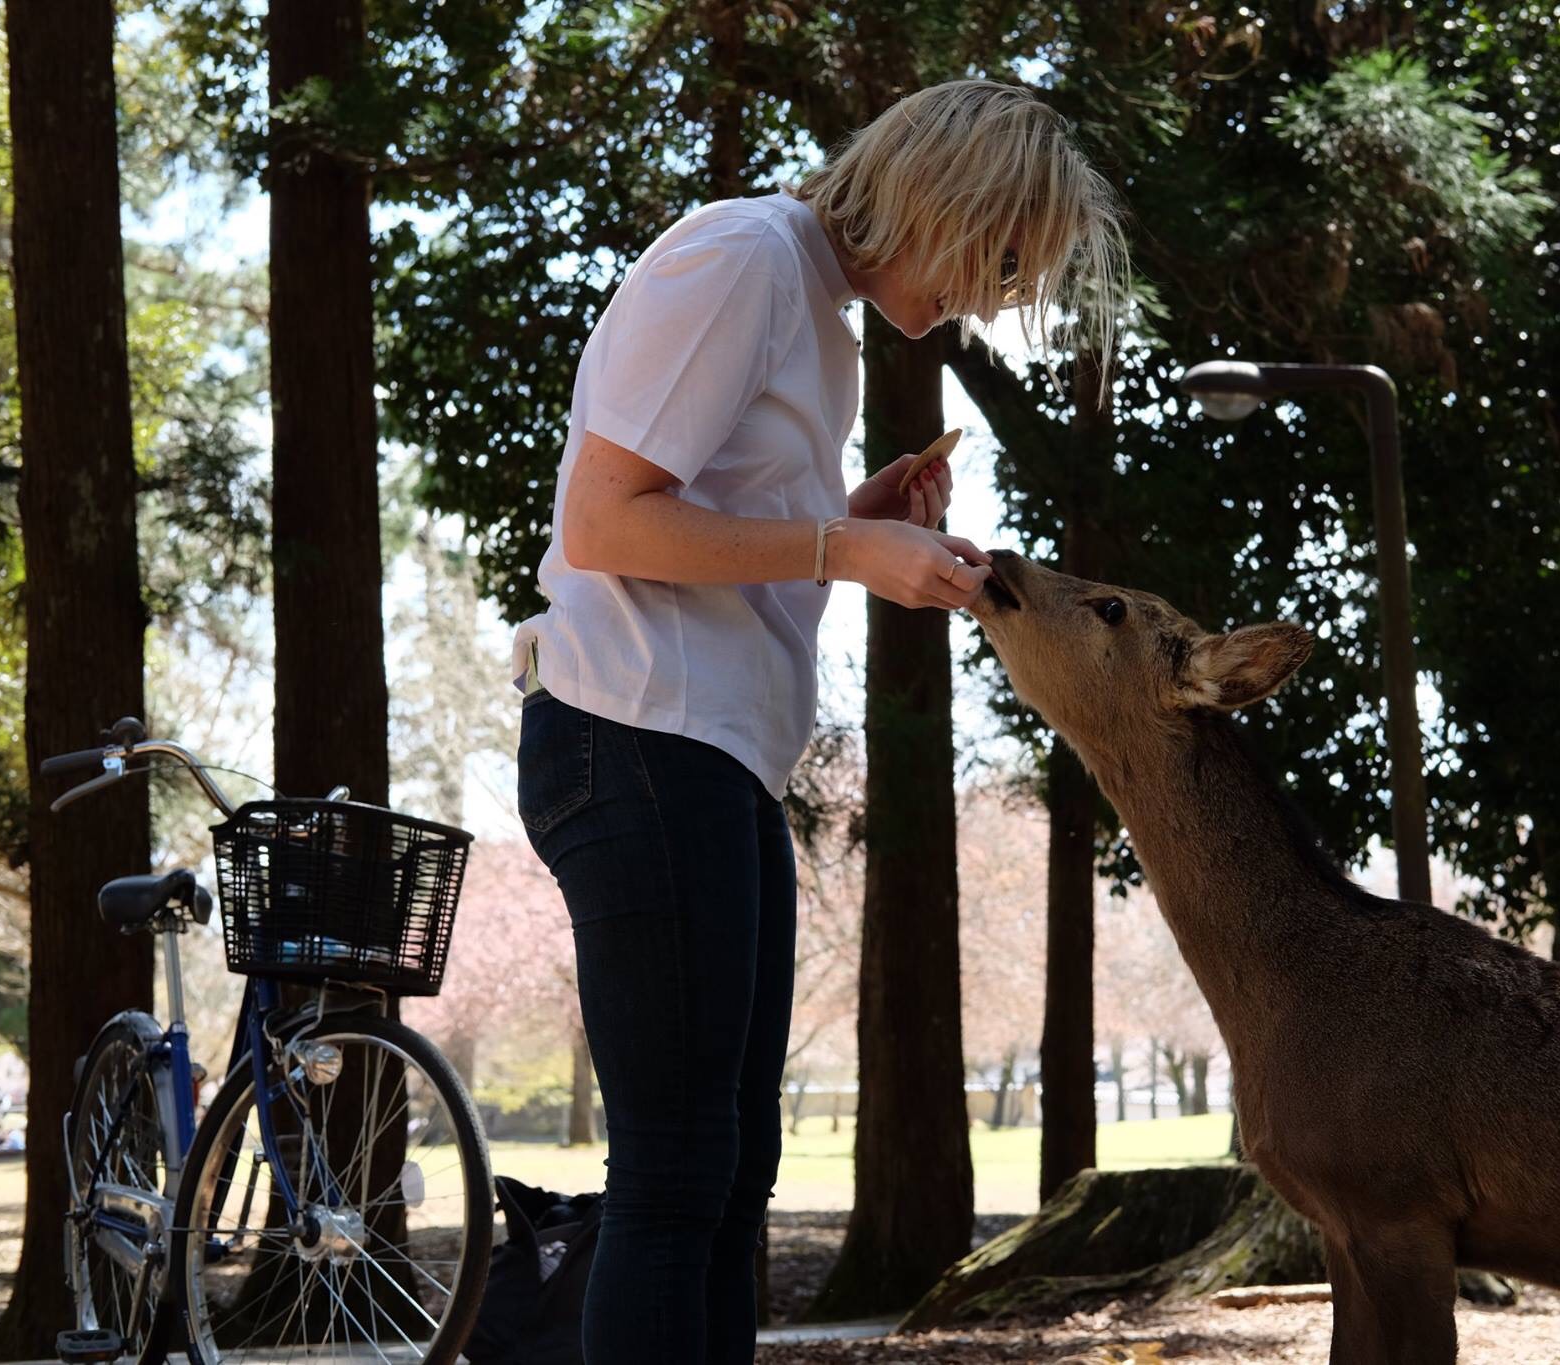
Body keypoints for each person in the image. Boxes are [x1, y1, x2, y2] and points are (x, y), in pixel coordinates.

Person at [509, 78, 1128, 1361]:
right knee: (678, 1175)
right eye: (999, 258)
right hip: (631, 734)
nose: (994, 299)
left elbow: (708, 520)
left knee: (729, 1177)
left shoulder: (813, 309)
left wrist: (855, 513)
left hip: (706, 754)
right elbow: (604, 522)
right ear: (937, 198)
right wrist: (841, 549)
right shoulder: (744, 257)